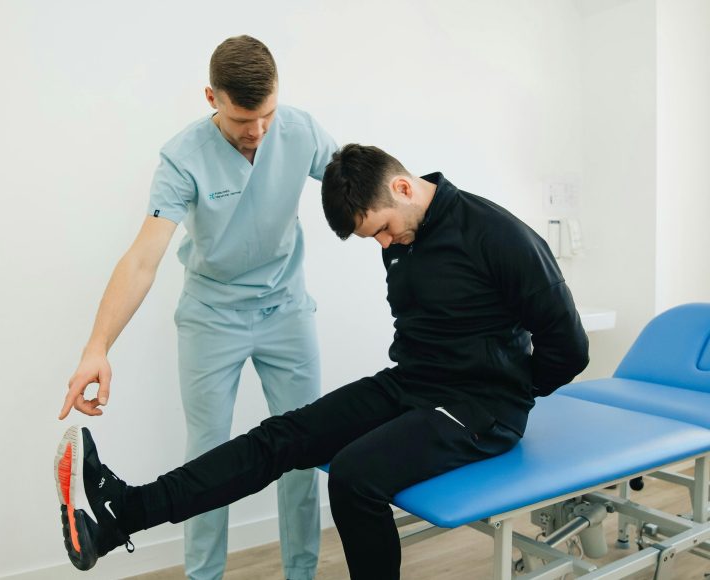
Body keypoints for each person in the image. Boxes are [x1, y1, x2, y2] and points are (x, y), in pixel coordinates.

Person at [55, 144, 589, 579]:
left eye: (383, 229)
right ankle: (121, 515)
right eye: (374, 237)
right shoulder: (402, 234)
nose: (384, 243)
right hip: (413, 383)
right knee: (280, 436)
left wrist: (504, 391)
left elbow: (570, 348)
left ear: (403, 188)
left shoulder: (499, 235)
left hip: (481, 406)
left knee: (354, 476)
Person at [57, 36, 337, 580]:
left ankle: (302, 573)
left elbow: (362, 182)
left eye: (267, 114)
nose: (258, 131)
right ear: (212, 98)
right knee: (208, 461)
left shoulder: (300, 130)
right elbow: (143, 259)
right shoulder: (183, 157)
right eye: (242, 120)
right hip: (213, 318)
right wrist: (97, 347)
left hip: (286, 310)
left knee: (305, 450)